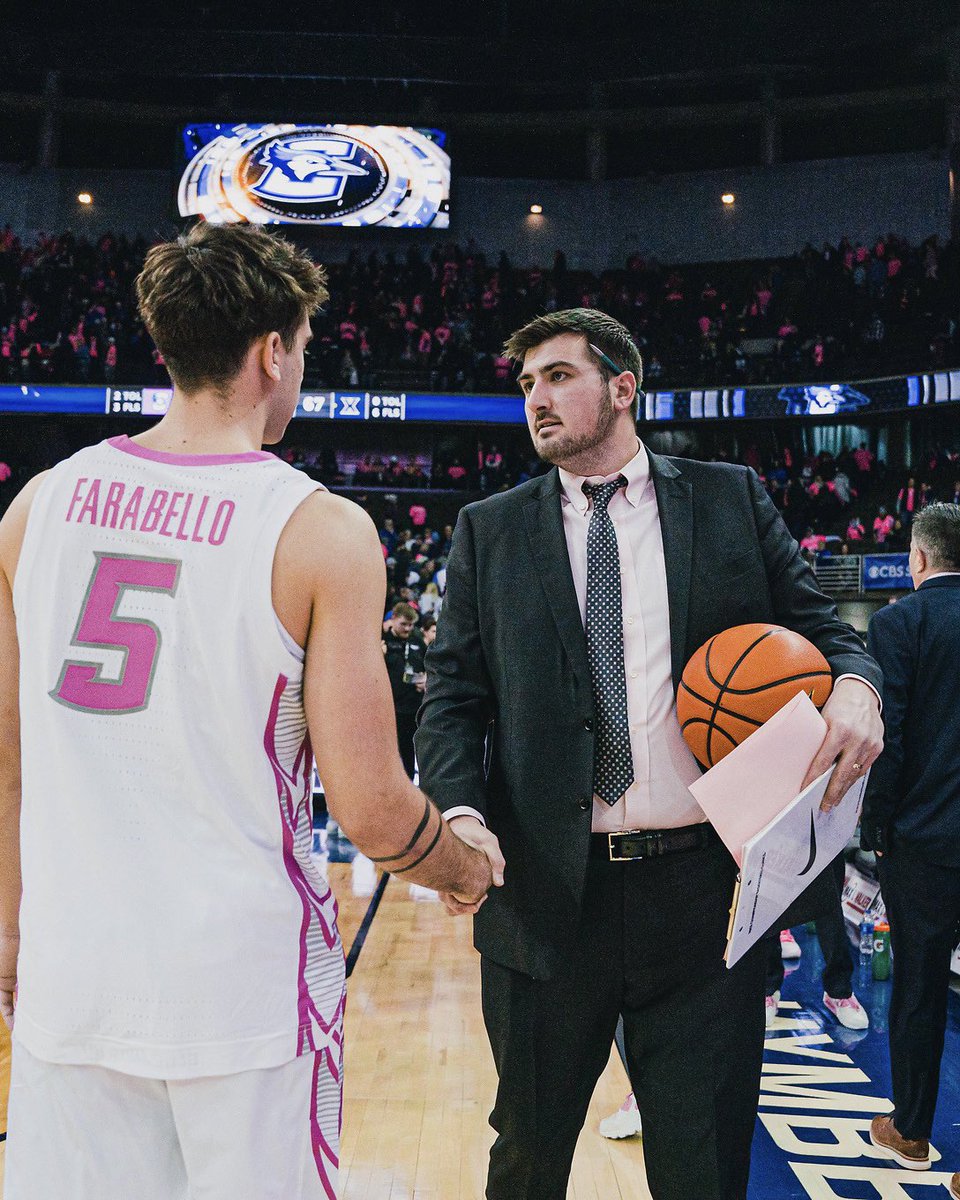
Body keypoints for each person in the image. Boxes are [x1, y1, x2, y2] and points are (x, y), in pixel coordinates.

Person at [0, 222, 495, 1200]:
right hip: (242, 994)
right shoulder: (319, 529)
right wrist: (464, 864)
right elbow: (372, 810)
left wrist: (10, 932)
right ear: (272, 350)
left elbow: (7, 767)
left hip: (71, 976)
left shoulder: (36, 507)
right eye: (304, 349)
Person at [415, 308, 884, 1200]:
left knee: (703, 1162)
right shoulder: (490, 528)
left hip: (702, 895)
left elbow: (827, 635)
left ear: (622, 388)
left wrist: (857, 689)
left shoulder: (728, 496)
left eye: (558, 376)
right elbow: (452, 699)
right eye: (526, 385)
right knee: (526, 1154)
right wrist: (462, 816)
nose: (536, 400)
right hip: (545, 894)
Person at [862, 503, 960, 1195]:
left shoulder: (899, 623)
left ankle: (913, 1132)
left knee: (920, 991)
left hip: (923, 841)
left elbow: (886, 740)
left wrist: (875, 829)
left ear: (918, 560)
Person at [763, 855, 868, 1031]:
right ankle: (767, 988)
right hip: (773, 832)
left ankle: (839, 991)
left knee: (829, 898)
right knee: (770, 893)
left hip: (823, 832)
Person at [382, 602, 427, 780]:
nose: (408, 628)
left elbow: (429, 667)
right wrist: (379, 656)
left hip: (413, 708)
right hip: (389, 709)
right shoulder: (382, 640)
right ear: (393, 619)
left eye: (411, 625)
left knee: (410, 754)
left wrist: (426, 680)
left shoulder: (417, 640)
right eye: (404, 624)